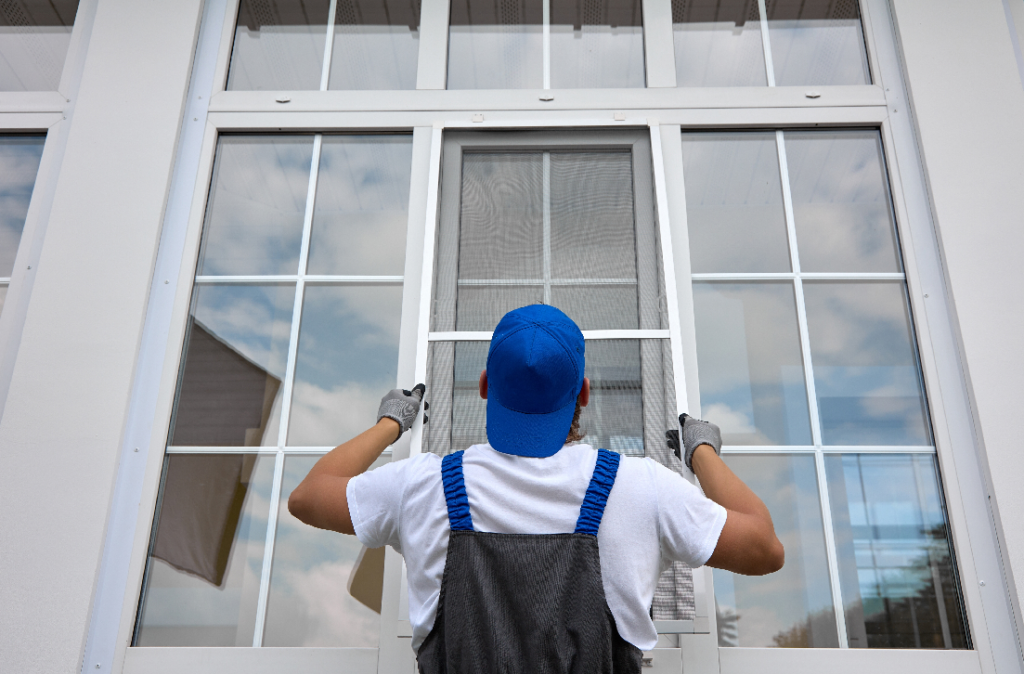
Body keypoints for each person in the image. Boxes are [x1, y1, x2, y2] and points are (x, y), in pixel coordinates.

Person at [288, 304, 783, 673]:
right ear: (583, 393)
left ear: (484, 385)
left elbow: (308, 495)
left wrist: (391, 424)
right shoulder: (640, 488)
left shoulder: (423, 485)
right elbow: (765, 547)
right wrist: (700, 452)